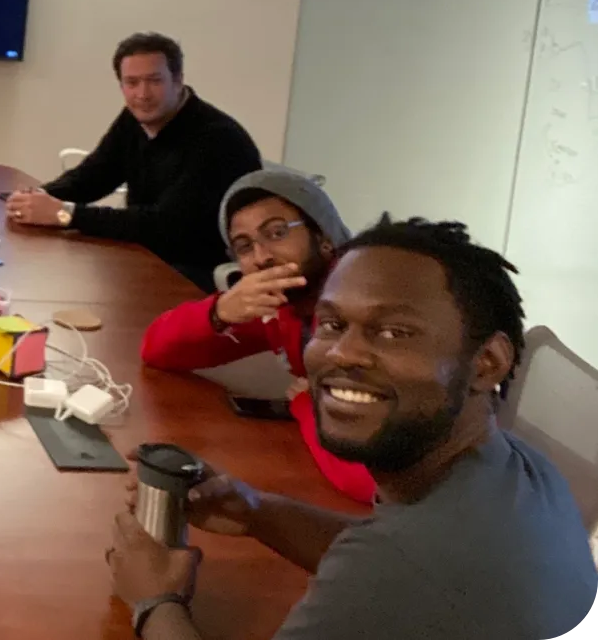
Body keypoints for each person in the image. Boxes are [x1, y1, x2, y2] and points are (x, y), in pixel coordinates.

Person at [108, 216, 598, 640]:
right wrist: (254, 509)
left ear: (488, 362)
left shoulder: (398, 568)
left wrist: (156, 600)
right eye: (331, 325)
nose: (343, 353)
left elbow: (396, 566)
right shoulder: (522, 468)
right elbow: (390, 552)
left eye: (394, 332)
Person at [140, 169, 377, 504]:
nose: (262, 256)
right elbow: (157, 350)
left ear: (323, 235)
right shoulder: (284, 305)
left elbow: (369, 481)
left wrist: (306, 404)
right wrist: (219, 312)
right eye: (244, 246)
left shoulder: (369, 313)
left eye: (277, 232)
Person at [5, 32, 262, 290]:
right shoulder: (135, 119)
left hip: (193, 274)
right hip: (147, 257)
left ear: (178, 80)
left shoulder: (217, 139)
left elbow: (164, 226)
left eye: (154, 81)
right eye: (132, 82)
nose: (142, 94)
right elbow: (93, 177)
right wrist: (36, 198)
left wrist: (64, 214)